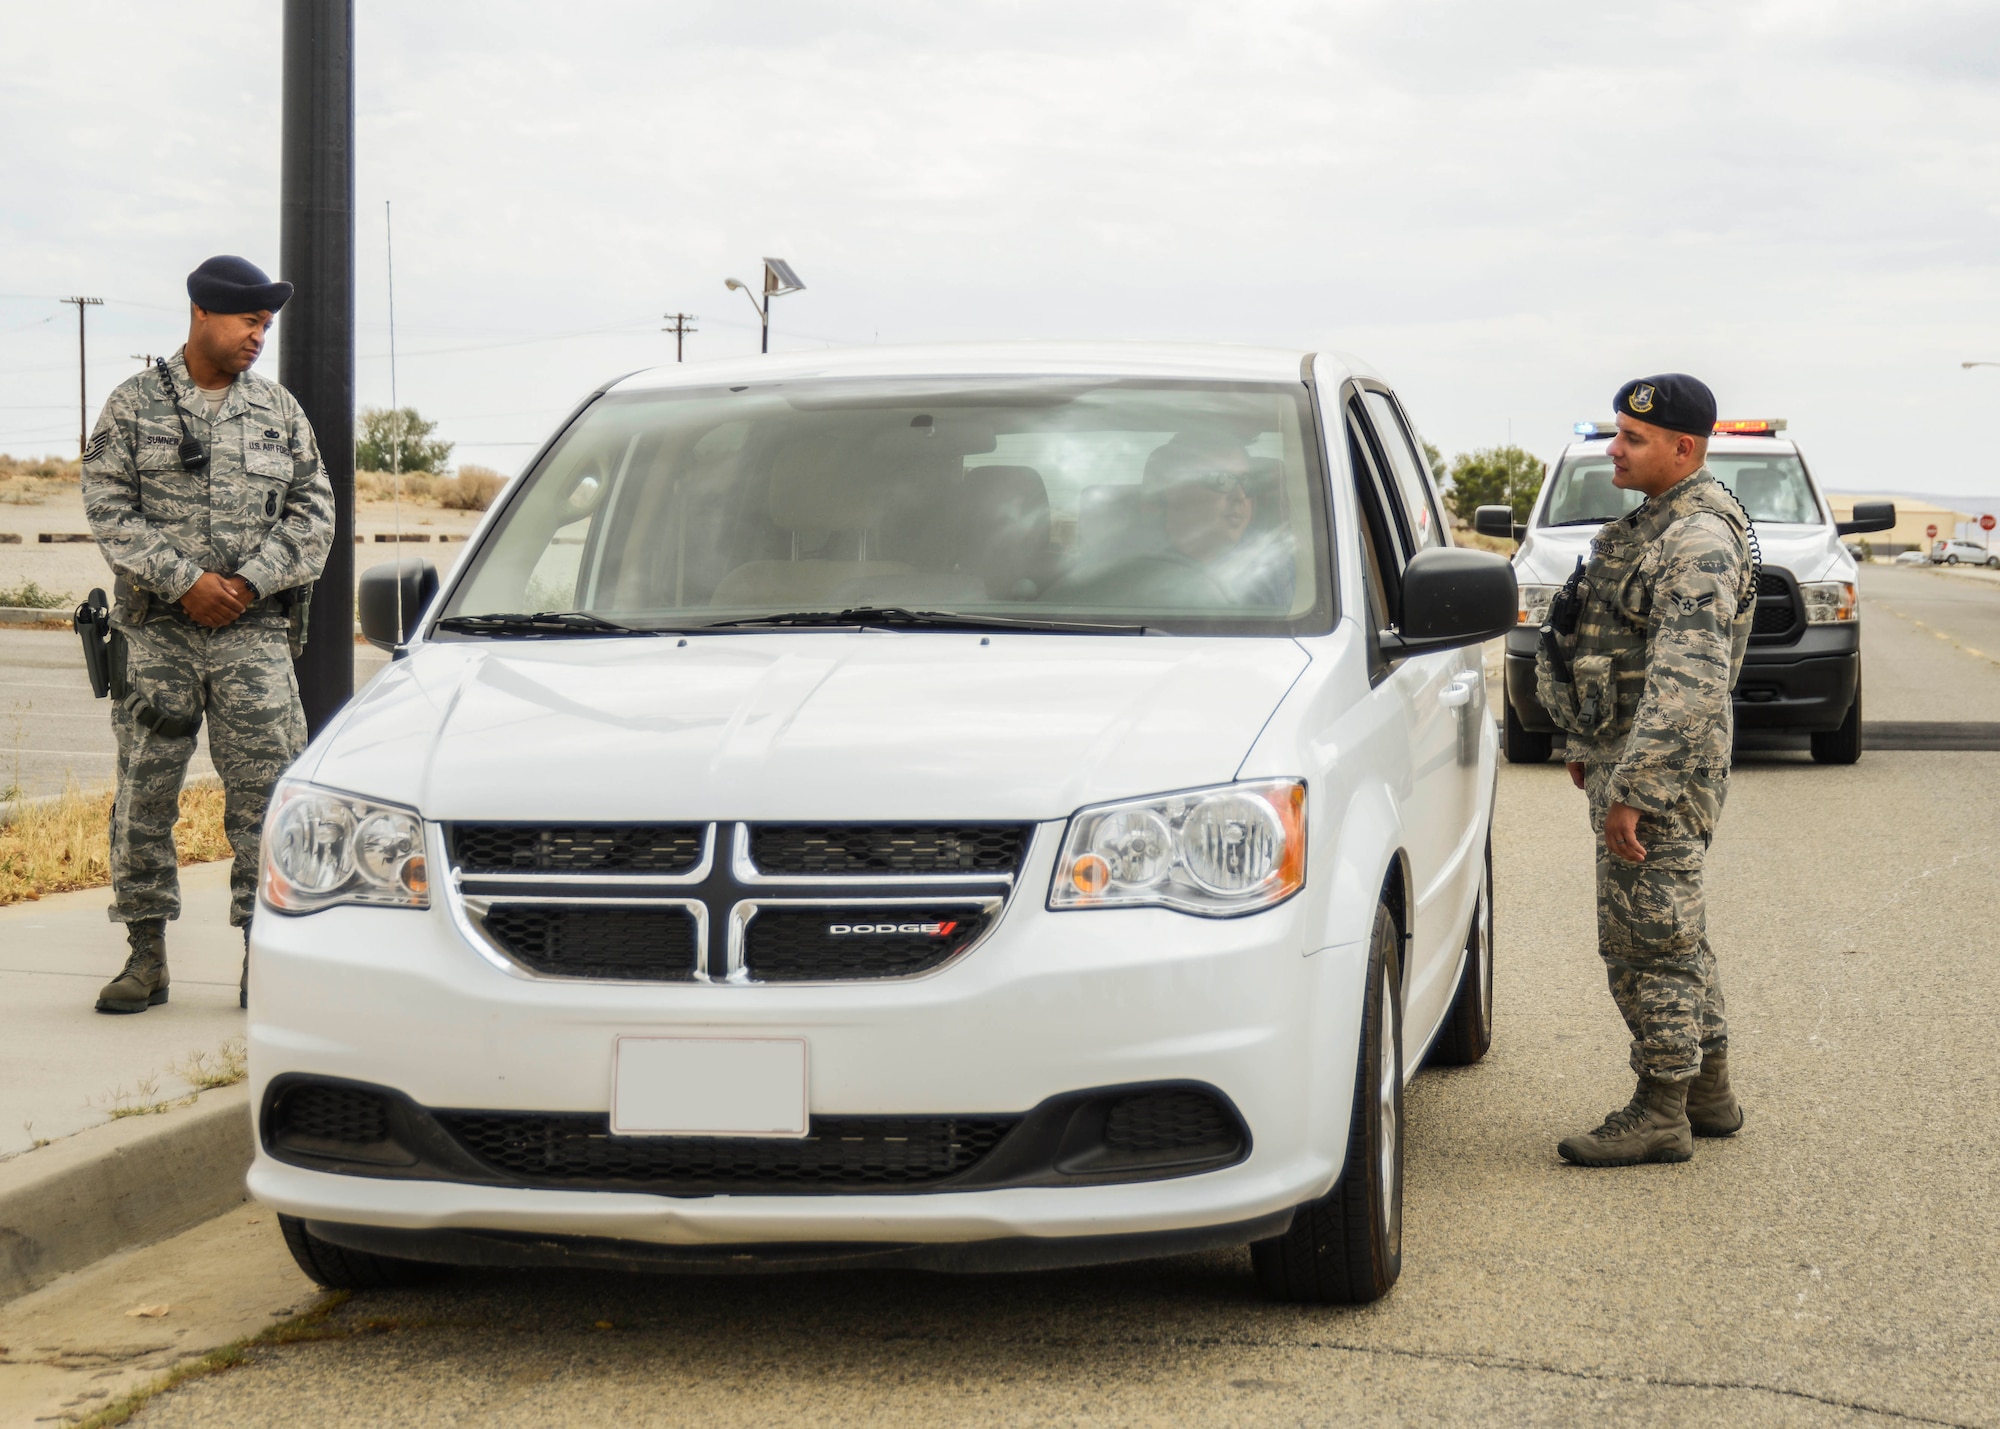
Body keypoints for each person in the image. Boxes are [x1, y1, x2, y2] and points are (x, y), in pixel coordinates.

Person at [82, 256, 333, 1015]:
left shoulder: (279, 412)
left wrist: (250, 581)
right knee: (144, 793)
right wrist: (183, 579)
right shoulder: (132, 407)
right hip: (158, 633)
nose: (259, 335)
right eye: (248, 320)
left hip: (253, 637)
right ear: (201, 313)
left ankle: (267, 953)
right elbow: (107, 505)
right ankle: (145, 955)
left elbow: (314, 514)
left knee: (266, 798)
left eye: (266, 325)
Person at [1535, 373, 1754, 1167]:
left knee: (1646, 939)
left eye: (1632, 438)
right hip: (1629, 753)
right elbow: (1615, 643)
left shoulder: (1697, 539)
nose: (1614, 449)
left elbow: (1686, 680)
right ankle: (1709, 1093)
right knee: (1675, 926)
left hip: (1659, 771)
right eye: (1617, 432)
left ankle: (1662, 1107)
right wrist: (1587, 743)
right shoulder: (1658, 524)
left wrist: (1635, 788)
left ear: (1682, 448)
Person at [1141, 432, 1294, 607]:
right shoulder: (1129, 560)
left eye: (1246, 482)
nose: (1240, 495)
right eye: (1221, 480)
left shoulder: (1272, 568)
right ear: (1175, 490)